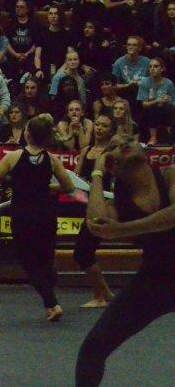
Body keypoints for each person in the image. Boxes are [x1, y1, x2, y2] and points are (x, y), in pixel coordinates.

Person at [45, 135, 175, 387]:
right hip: (155, 280)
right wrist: (97, 172)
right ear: (113, 163)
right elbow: (96, 223)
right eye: (114, 145)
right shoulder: (120, 202)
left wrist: (123, 229)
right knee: (93, 348)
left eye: (128, 139)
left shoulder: (170, 175)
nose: (125, 141)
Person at [0, 114, 74, 322]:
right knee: (44, 260)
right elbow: (69, 187)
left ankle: (52, 303)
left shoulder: (13, 157)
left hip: (23, 216)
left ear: (28, 135)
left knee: (29, 263)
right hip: (45, 215)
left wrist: (14, 182)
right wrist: (45, 186)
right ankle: (50, 301)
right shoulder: (52, 160)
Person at [72, 114, 117, 309]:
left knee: (82, 252)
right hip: (87, 203)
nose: (98, 128)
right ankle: (105, 294)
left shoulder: (111, 154)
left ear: (110, 130)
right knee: (85, 251)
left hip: (103, 206)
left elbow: (116, 181)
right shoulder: (86, 150)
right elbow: (76, 179)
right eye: (97, 124)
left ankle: (101, 296)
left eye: (104, 126)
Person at [137, 57, 175, 144]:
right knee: (154, 108)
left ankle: (172, 138)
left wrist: (168, 101)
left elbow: (173, 102)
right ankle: (153, 138)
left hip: (166, 110)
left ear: (162, 69)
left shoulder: (169, 83)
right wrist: (156, 101)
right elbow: (144, 104)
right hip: (149, 111)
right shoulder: (145, 82)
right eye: (150, 66)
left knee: (168, 107)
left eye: (155, 66)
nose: (152, 68)